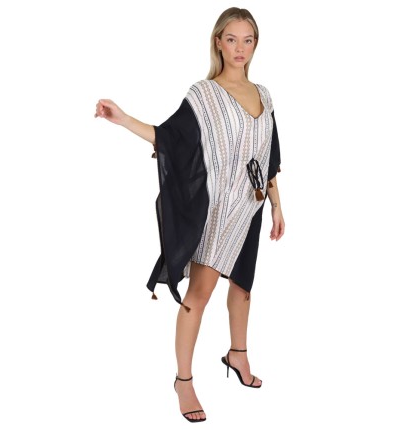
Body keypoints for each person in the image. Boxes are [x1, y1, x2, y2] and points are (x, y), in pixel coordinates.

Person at [94, 7, 284, 423]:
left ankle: (237, 355)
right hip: (217, 211)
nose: (240, 48)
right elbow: (169, 138)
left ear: (255, 44)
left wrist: (276, 204)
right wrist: (123, 119)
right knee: (199, 295)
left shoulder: (265, 95)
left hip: (250, 208)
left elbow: (269, 156)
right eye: (231, 39)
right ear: (218, 42)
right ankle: (183, 381)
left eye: (247, 40)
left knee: (243, 288)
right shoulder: (204, 95)